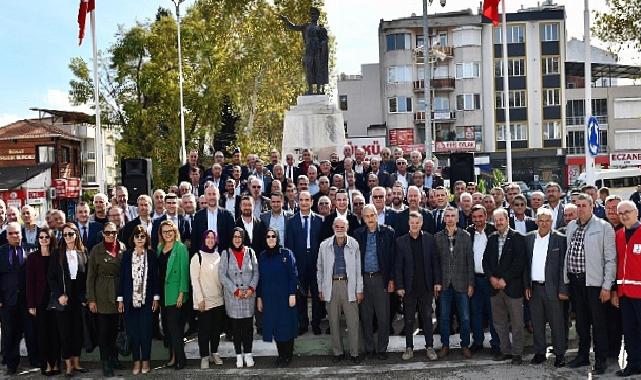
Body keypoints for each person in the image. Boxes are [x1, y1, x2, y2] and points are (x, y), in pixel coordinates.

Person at [563, 193, 616, 375]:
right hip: (576, 282)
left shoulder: (604, 227)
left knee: (599, 324)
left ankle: (601, 360)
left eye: (584, 205)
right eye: (578, 205)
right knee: (582, 324)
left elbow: (610, 260)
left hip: (595, 284)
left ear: (592, 206)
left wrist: (606, 286)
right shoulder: (571, 226)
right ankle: (582, 356)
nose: (580, 209)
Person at [524, 208, 568, 368]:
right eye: (540, 220)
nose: (543, 224)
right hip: (534, 288)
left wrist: (563, 289)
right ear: (536, 221)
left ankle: (560, 354)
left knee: (557, 323)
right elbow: (525, 265)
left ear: (552, 222)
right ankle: (540, 352)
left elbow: (564, 266)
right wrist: (526, 286)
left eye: (547, 221)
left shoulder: (560, 239)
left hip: (554, 289)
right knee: (537, 323)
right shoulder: (528, 239)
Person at [395, 211, 442, 361]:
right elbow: (398, 267)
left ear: (421, 223)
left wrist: (437, 282)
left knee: (427, 318)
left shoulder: (429, 239)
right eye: (412, 223)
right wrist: (400, 286)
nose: (414, 225)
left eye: (417, 223)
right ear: (408, 223)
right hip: (409, 288)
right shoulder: (401, 241)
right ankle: (409, 348)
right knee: (409, 319)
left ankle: (430, 347)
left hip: (426, 287)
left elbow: (435, 262)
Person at [483, 208, 526, 364]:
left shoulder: (518, 237)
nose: (499, 222)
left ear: (507, 219)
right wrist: (492, 278)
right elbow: (485, 261)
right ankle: (505, 351)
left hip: (512, 287)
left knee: (517, 323)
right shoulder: (492, 238)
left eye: (501, 219)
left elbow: (519, 262)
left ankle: (517, 353)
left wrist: (504, 279)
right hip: (494, 288)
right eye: (496, 220)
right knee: (499, 323)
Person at [317, 216, 363, 364]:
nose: (340, 229)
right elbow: (320, 269)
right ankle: (338, 352)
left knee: (353, 322)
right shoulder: (324, 245)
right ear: (333, 227)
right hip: (331, 286)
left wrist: (359, 289)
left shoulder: (354, 244)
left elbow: (358, 269)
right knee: (334, 322)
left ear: (347, 228)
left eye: (342, 227)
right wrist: (321, 288)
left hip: (349, 285)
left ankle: (355, 353)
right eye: (337, 226)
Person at [354, 204, 395, 360]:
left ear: (376, 216)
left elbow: (393, 258)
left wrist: (391, 279)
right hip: (364, 279)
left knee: (383, 316)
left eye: (372, 215)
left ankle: (382, 349)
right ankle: (369, 349)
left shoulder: (387, 232)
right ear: (363, 218)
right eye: (367, 216)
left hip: (381, 279)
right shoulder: (358, 234)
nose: (370, 219)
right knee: (366, 317)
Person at [117, 225, 160, 375]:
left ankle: (146, 361)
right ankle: (136, 361)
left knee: (146, 332)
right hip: (130, 301)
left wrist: (156, 297)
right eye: (137, 236)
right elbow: (122, 278)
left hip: (147, 301)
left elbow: (155, 278)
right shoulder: (127, 255)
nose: (140, 239)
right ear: (133, 239)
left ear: (146, 238)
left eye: (142, 236)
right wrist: (120, 299)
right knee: (133, 333)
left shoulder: (152, 255)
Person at [48, 222, 88, 377]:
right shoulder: (57, 253)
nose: (67, 237)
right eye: (64, 235)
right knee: (65, 334)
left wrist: (85, 296)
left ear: (76, 234)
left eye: (70, 234)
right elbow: (51, 278)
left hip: (78, 299)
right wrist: (59, 295)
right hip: (63, 299)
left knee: (77, 332)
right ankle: (68, 366)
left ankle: (77, 363)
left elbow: (86, 277)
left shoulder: (83, 251)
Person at [435, 207, 474, 359]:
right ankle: (445, 345)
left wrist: (471, 284)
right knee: (444, 317)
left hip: (462, 284)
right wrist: (436, 283)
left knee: (464, 317)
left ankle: (465, 345)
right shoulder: (437, 237)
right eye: (447, 216)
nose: (450, 218)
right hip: (444, 285)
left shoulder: (466, 236)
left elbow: (470, 261)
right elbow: (435, 263)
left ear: (458, 219)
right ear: (444, 218)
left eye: (453, 216)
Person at [86, 222, 125, 377]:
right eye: (108, 232)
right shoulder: (96, 250)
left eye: (114, 232)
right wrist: (91, 299)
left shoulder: (122, 247)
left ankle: (113, 357)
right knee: (103, 331)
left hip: (118, 292)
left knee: (115, 329)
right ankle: (105, 362)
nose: (111, 235)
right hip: (101, 292)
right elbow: (90, 276)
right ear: (103, 233)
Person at [257, 228, 299, 367]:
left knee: (286, 327)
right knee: (275, 328)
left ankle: (288, 355)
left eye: (273, 236)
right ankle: (281, 355)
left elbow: (293, 275)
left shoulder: (286, 254)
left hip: (285, 297)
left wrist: (292, 294)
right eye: (268, 236)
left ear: (277, 238)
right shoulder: (262, 256)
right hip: (269, 298)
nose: (270, 238)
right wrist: (259, 298)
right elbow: (259, 279)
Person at [219, 228, 259, 368]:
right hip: (233, 297)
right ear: (231, 238)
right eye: (235, 236)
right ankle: (238, 355)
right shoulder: (226, 254)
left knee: (248, 327)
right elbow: (222, 276)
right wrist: (235, 290)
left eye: (240, 237)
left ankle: (248, 354)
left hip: (248, 296)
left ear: (243, 238)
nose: (237, 239)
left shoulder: (250, 252)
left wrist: (251, 289)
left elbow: (256, 273)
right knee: (236, 329)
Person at [285, 191, 323, 335]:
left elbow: (321, 243)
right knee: (300, 295)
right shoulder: (292, 221)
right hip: (299, 263)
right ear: (298, 202)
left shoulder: (319, 220)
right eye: (302, 200)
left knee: (316, 294)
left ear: (312, 202)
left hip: (315, 262)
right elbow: (289, 245)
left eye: (307, 200)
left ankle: (316, 323)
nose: (305, 202)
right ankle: (302, 323)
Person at [26, 227, 60, 376]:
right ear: (38, 240)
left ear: (51, 239)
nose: (44, 239)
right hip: (40, 301)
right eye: (41, 237)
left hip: (55, 299)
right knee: (42, 333)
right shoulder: (33, 257)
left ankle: (55, 364)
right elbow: (29, 282)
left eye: (47, 237)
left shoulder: (56, 255)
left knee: (55, 333)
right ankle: (46, 364)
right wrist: (31, 304)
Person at [466, 205, 500, 354]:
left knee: (494, 313)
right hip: (475, 279)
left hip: (491, 279)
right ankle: (478, 341)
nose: (478, 220)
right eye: (475, 217)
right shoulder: (468, 233)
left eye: (480, 216)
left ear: (486, 216)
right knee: (476, 312)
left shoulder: (494, 230)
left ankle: (496, 344)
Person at [613, 201, 641, 377]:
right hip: (624, 293)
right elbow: (616, 264)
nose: (624, 215)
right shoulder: (618, 235)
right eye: (620, 213)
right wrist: (615, 290)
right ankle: (634, 364)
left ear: (636, 212)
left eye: (627, 212)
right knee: (629, 332)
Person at [0, 222, 32, 375]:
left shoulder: (30, 248)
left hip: (27, 300)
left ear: (21, 233)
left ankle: (35, 360)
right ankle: (12, 364)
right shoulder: (0, 252)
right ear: (6, 236)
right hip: (7, 300)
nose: (14, 236)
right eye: (11, 233)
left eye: (17, 233)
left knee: (31, 330)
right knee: (10, 333)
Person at [157, 220, 189, 370]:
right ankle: (173, 357)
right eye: (164, 232)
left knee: (175, 329)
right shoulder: (159, 248)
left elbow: (184, 273)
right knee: (168, 329)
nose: (168, 234)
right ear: (161, 234)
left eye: (170, 231)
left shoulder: (181, 248)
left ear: (175, 231)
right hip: (163, 293)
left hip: (175, 294)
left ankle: (181, 360)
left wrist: (181, 294)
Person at [190, 230, 225, 369]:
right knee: (204, 330)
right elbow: (194, 280)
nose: (210, 240)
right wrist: (200, 299)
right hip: (204, 300)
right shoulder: (197, 256)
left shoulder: (218, 255)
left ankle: (214, 352)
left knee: (216, 330)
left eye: (213, 238)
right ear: (204, 239)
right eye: (208, 238)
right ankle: (204, 356)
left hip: (218, 299)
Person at [191, 186, 235, 256]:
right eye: (209, 194)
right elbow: (194, 239)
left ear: (218, 196)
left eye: (214, 194)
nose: (212, 197)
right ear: (205, 197)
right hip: (203, 256)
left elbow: (232, 239)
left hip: (223, 257)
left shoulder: (228, 215)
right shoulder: (198, 216)